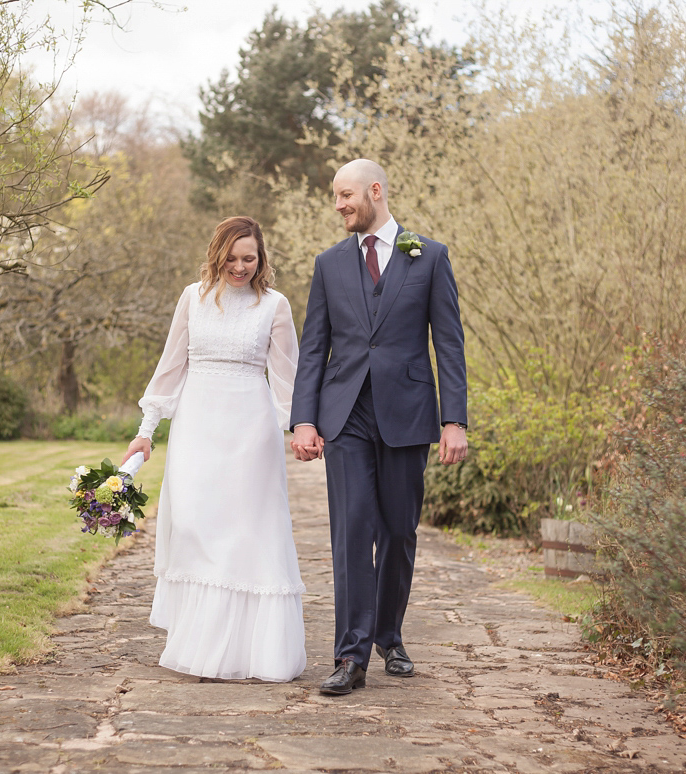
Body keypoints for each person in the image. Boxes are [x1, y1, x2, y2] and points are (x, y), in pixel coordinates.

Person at [290, 159, 468, 696]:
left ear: (375, 191)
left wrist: (453, 419)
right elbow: (314, 347)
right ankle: (350, 654)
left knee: (397, 530)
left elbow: (450, 344)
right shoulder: (329, 264)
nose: (339, 205)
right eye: (335, 198)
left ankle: (389, 635)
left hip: (408, 415)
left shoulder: (430, 256)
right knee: (351, 532)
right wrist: (303, 417)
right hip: (345, 415)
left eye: (346, 195)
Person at [123, 216, 306, 683]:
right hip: (197, 426)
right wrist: (147, 431)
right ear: (216, 253)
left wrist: (301, 428)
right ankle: (200, 641)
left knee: (247, 532)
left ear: (261, 259)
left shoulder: (275, 305)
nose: (240, 266)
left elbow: (288, 380)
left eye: (250, 258)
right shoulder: (193, 298)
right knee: (193, 525)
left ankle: (253, 651)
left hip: (251, 429)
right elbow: (170, 369)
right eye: (233, 257)